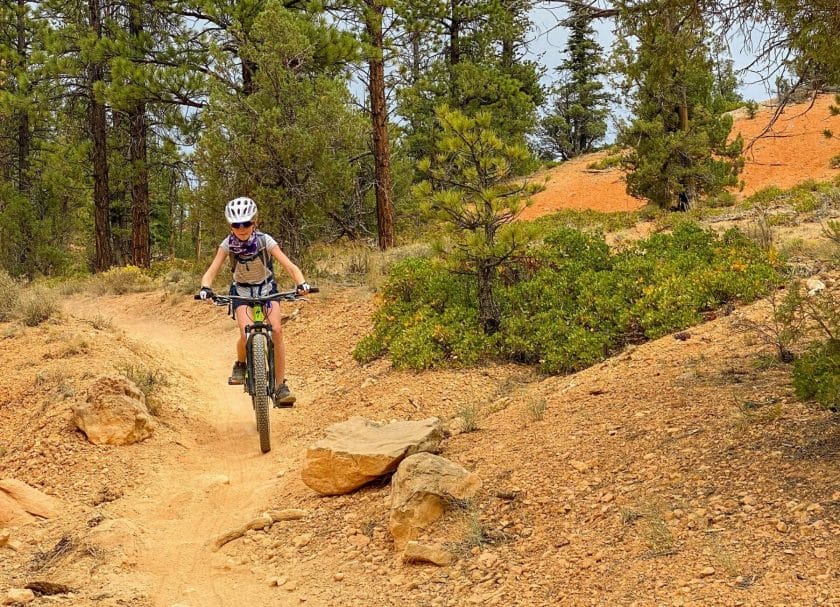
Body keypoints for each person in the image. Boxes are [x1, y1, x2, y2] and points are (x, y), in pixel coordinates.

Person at [197, 196, 309, 406]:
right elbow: (211, 271)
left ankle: (280, 386)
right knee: (245, 332)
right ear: (230, 225)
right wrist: (205, 288)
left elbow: (289, 265)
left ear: (254, 222)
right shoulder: (227, 245)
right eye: (236, 224)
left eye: (246, 223)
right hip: (241, 292)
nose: (241, 228)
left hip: (267, 289)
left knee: (276, 330)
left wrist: (302, 283)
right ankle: (241, 363)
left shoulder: (265, 241)